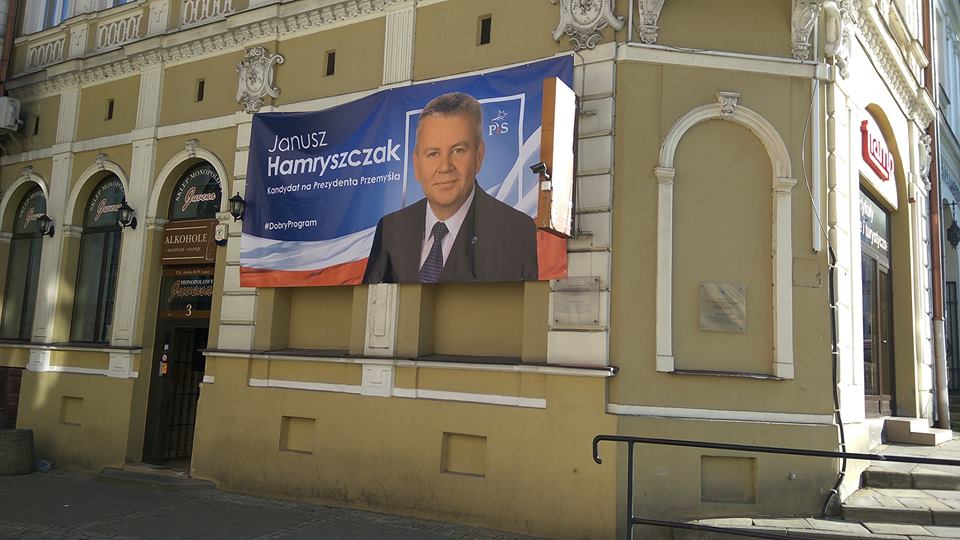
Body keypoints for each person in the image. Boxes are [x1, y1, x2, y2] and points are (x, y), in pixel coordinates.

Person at [363, 92, 539, 284]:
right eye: (433, 153)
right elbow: (371, 300)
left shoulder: (516, 231)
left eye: (457, 151)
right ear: (417, 165)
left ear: (479, 156)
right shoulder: (390, 230)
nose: (445, 167)